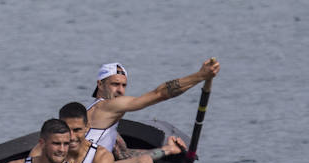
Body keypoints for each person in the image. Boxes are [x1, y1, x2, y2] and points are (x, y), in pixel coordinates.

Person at [86, 59, 218, 152]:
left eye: (124, 85)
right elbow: (160, 94)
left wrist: (166, 151)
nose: (120, 90)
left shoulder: (101, 115)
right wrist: (200, 76)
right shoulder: (106, 106)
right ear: (100, 84)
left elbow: (126, 156)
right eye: (115, 84)